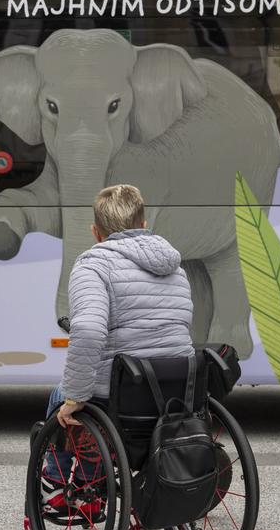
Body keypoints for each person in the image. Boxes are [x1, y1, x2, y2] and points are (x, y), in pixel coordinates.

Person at [42, 185, 194, 505]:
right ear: (143, 224)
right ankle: (89, 472)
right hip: (177, 390)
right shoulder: (175, 266)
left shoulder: (93, 265)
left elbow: (87, 329)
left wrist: (75, 397)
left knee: (61, 397)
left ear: (96, 232)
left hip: (124, 393)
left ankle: (60, 479)